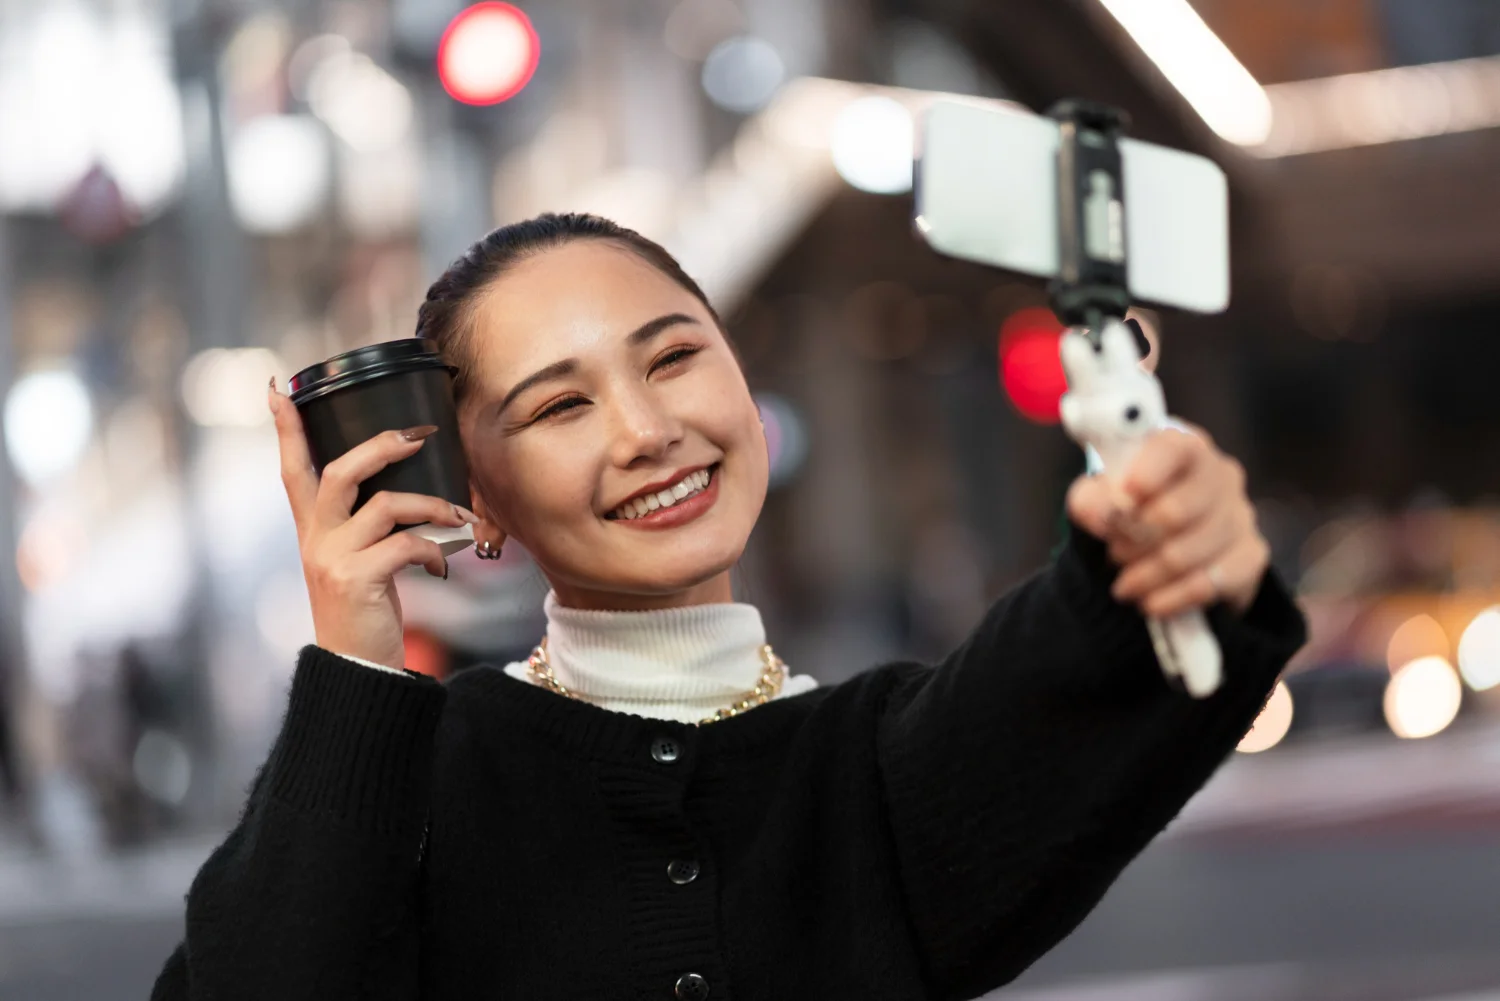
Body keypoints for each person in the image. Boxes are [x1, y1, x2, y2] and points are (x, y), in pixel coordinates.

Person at [152, 213, 1304, 1001]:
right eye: (559, 407)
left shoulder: (875, 769)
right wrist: (355, 668)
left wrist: (1165, 543)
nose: (647, 429)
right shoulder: (415, 786)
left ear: (745, 386)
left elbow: (1078, 659)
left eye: (674, 358)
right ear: (477, 498)